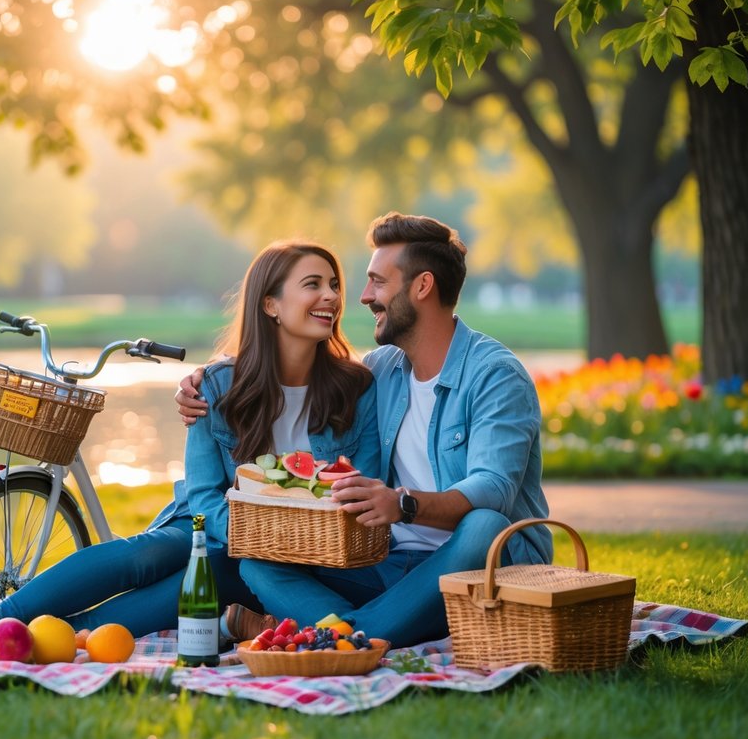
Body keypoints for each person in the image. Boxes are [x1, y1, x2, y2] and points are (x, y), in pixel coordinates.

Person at [0, 241, 381, 658]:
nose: (332, 297)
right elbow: (206, 495)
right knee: (145, 556)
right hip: (210, 527)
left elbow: (363, 485)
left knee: (191, 582)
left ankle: (24, 637)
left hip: (305, 554)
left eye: (334, 285)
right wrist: (249, 532)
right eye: (313, 284)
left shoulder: (355, 388)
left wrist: (285, 537)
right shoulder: (215, 386)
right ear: (270, 304)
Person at [177, 212, 553, 648]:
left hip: (477, 566)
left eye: (377, 282)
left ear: (422, 287)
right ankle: (364, 630)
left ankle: (350, 635)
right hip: (387, 561)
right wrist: (203, 379)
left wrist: (403, 505)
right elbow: (292, 365)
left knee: (485, 524)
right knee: (259, 566)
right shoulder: (381, 372)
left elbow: (494, 488)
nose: (361, 296)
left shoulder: (495, 375)